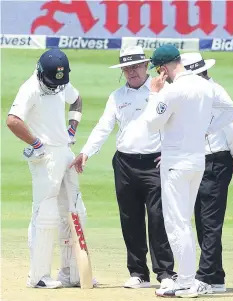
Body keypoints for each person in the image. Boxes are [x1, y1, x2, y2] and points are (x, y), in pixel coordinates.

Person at [69, 45, 177, 288]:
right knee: (130, 219)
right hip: (125, 162)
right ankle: (138, 272)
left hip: (156, 162)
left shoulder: (163, 90)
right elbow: (103, 126)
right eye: (126, 68)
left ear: (146, 66)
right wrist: (86, 152)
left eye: (136, 66)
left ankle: (166, 273)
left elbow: (177, 124)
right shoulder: (117, 96)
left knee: (159, 219)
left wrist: (172, 154)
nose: (131, 72)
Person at [137, 44, 233, 297]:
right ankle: (187, 279)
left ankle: (185, 281)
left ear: (162, 68)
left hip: (175, 163)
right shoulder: (206, 86)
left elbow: (151, 124)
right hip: (197, 161)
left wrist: (153, 94)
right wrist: (206, 128)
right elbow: (231, 110)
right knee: (184, 223)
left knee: (177, 223)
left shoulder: (171, 91)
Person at [6, 48, 88, 288]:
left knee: (74, 210)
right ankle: (39, 276)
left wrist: (72, 128)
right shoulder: (30, 87)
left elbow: (77, 100)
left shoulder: (61, 83)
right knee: (46, 213)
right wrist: (36, 142)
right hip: (45, 157)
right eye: (51, 82)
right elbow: (12, 120)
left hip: (65, 150)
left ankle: (72, 273)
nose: (55, 87)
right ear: (41, 72)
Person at [180, 52, 233, 293]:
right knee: (201, 219)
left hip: (215, 161)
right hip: (198, 160)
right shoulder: (195, 93)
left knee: (209, 221)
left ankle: (206, 275)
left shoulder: (214, 91)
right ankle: (216, 276)